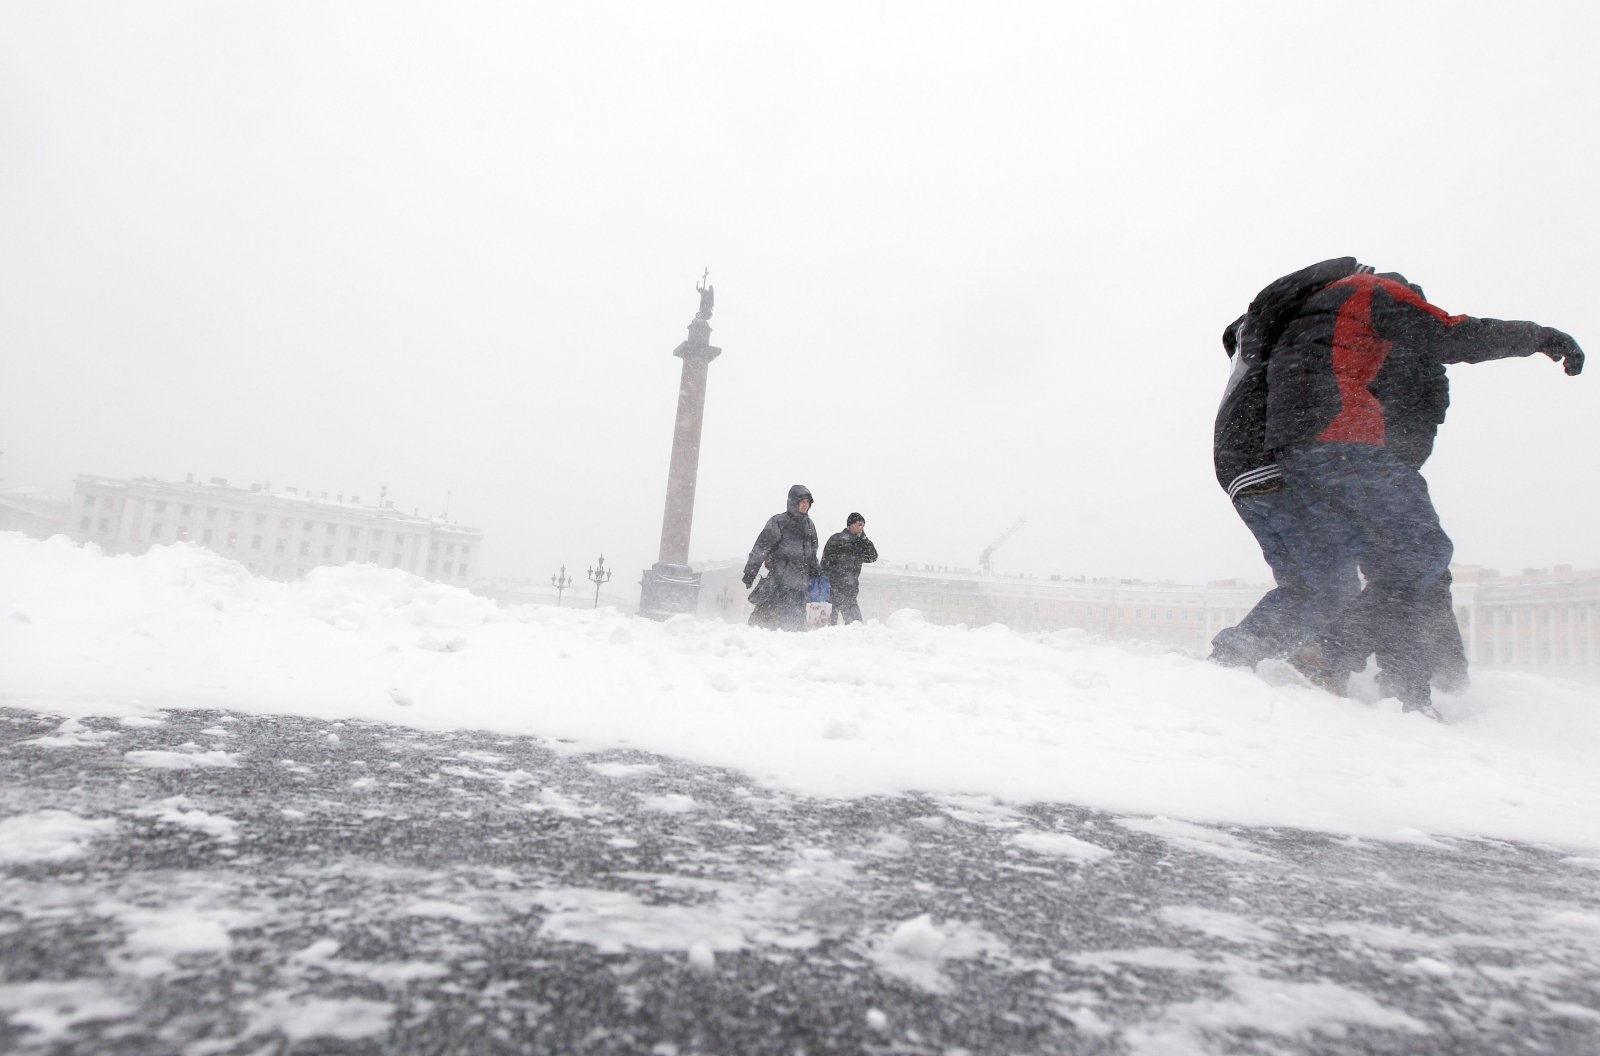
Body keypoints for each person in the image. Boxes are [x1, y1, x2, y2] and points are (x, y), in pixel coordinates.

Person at [1264, 267, 1584, 715]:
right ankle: (1330, 655)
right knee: (1422, 556)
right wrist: (1541, 337)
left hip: (1296, 451)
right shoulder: (1376, 294)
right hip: (1345, 441)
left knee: (1394, 570)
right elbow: (1452, 336)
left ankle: (1395, 687)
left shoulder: (1311, 312)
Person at [1208, 259, 1365, 670]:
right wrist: (1347, 269)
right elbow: (1270, 298)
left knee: (1308, 582)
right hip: (1261, 463)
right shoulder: (1261, 339)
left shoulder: (1252, 357)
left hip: (1241, 471)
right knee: (1331, 578)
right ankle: (1305, 659)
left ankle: (1247, 653)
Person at [741, 485, 821, 632]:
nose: (805, 504)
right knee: (772, 626)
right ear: (793, 502)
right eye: (802, 501)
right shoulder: (779, 522)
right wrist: (750, 571)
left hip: (800, 586)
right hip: (780, 583)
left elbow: (812, 553)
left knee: (796, 628)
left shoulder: (810, 526)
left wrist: (817, 573)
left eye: (808, 502)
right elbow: (761, 547)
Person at [820, 512, 878, 625]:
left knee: (856, 626)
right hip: (833, 590)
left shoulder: (861, 543)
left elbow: (873, 557)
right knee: (830, 626)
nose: (862, 528)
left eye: (863, 525)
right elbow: (825, 563)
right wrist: (826, 582)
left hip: (850, 591)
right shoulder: (836, 539)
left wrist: (865, 539)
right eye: (859, 524)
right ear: (850, 524)